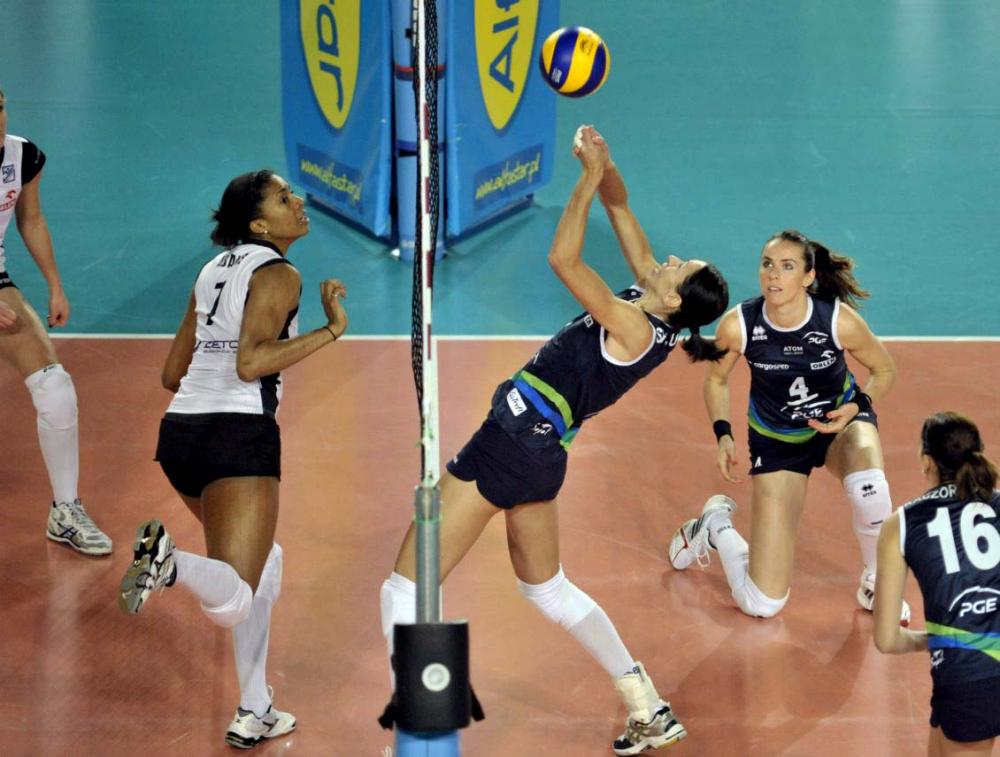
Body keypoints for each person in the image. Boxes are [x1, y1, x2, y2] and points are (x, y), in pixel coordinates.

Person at [379, 126, 730, 756]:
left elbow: (563, 261)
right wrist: (604, 161)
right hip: (541, 457)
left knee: (403, 588)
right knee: (546, 589)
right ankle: (647, 707)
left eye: (680, 266)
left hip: (507, 449)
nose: (670, 258)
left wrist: (584, 179)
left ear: (675, 296)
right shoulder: (655, 301)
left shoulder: (634, 328)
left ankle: (423, 732)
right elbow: (621, 206)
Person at [117, 170, 348, 749]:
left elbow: (173, 373)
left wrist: (210, 397)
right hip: (239, 438)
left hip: (181, 436)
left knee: (264, 563)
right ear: (260, 225)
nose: (298, 201)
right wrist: (331, 330)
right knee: (234, 601)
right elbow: (251, 364)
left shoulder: (211, 271)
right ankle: (169, 563)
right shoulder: (281, 273)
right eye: (284, 198)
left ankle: (255, 708)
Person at [668, 229, 910, 624]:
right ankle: (716, 527)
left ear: (808, 277)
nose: (774, 275)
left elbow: (884, 370)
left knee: (870, 488)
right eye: (767, 265)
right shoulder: (741, 325)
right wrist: (723, 433)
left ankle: (876, 583)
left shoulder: (836, 320)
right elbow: (716, 380)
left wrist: (856, 406)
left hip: (838, 425)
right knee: (762, 603)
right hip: (777, 440)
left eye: (787, 266)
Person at [0, 85, 112, 555]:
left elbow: (30, 219)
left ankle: (65, 511)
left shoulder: (22, 156)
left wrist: (55, 285)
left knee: (56, 389)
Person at [873, 412, 1000, 756]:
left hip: (968, 676)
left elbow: (886, 639)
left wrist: (936, 639)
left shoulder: (902, 524)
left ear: (926, 461)